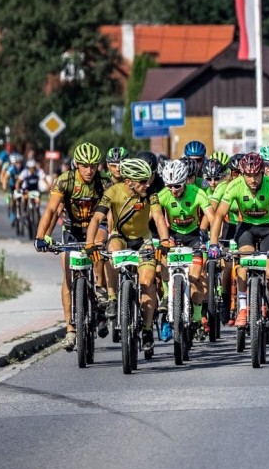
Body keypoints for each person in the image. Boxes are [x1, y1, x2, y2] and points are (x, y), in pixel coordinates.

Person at [206, 152, 269, 336]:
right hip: (246, 228)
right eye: (248, 175)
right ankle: (243, 308)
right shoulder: (234, 185)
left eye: (256, 175)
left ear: (262, 173)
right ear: (242, 174)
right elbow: (219, 215)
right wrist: (213, 244)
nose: (252, 179)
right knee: (244, 263)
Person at [84, 158, 172, 358]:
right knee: (111, 251)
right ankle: (113, 298)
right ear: (129, 181)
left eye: (148, 180)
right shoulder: (113, 192)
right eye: (142, 181)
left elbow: (159, 218)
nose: (147, 184)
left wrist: (165, 241)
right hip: (120, 237)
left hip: (143, 240)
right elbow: (97, 218)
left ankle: (147, 330)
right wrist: (90, 243)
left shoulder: (151, 194)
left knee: (147, 283)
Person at [34, 143, 106, 351]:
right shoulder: (65, 181)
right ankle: (70, 330)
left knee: (98, 244)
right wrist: (41, 237)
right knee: (67, 276)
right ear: (77, 164)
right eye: (84, 166)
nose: (89, 170)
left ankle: (100, 288)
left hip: (96, 226)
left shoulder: (103, 183)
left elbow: (112, 212)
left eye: (93, 166)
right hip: (72, 228)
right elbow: (51, 210)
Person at [158, 159, 215, 335]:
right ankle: (167, 295)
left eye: (177, 186)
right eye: (169, 186)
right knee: (161, 262)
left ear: (185, 182)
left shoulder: (198, 193)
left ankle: (197, 316)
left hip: (193, 237)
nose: (173, 190)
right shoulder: (163, 195)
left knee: (196, 278)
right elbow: (152, 218)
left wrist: (214, 242)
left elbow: (212, 218)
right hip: (173, 236)